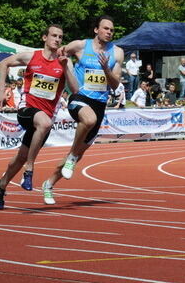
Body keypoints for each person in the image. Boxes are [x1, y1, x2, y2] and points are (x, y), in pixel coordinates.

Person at [0, 24, 77, 209]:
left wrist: (65, 68)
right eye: (54, 35)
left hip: (45, 117)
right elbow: (4, 63)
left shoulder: (65, 61)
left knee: (20, 156)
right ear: (44, 37)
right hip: (26, 110)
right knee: (44, 124)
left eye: (60, 37)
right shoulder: (32, 56)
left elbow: (76, 90)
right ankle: (29, 170)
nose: (57, 39)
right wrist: (0, 92)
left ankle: (2, 184)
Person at [40, 15, 124, 205]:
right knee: (89, 120)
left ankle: (49, 184)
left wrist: (105, 69)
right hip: (79, 97)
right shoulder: (80, 45)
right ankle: (71, 156)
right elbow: (58, 52)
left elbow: (114, 84)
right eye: (106, 28)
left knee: (77, 154)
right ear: (96, 30)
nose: (109, 32)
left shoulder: (117, 53)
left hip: (100, 103)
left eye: (111, 30)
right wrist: (65, 69)